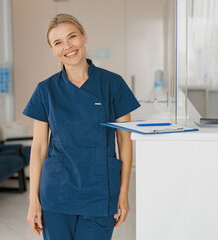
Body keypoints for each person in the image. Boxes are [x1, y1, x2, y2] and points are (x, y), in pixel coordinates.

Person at [24, 13, 140, 240]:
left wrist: (124, 193)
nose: (67, 46)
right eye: (58, 42)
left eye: (72, 37)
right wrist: (33, 200)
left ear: (84, 37)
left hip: (100, 191)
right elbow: (38, 148)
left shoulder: (113, 84)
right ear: (52, 49)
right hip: (57, 193)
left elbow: (124, 141)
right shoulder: (45, 90)